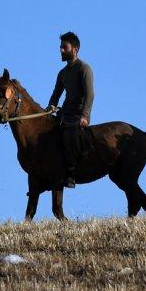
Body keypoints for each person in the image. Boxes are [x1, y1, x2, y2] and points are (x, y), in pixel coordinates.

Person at [47, 31, 94, 189]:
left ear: (75, 49)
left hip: (77, 116)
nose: (61, 50)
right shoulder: (62, 73)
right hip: (64, 113)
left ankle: (72, 172)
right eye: (60, 47)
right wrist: (51, 106)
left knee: (69, 135)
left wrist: (85, 116)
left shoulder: (84, 69)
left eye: (64, 47)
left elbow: (90, 95)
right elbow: (55, 95)